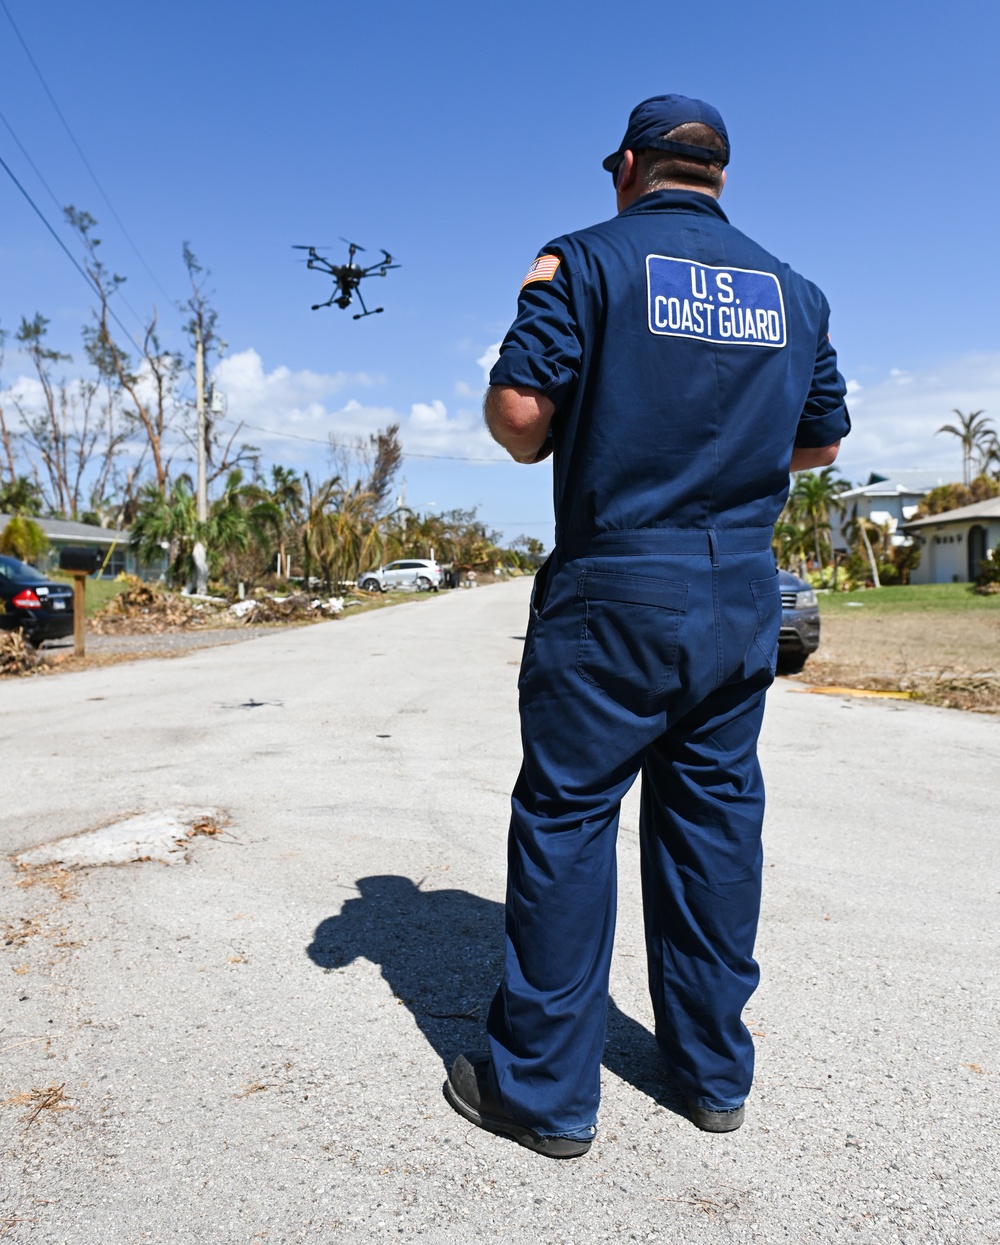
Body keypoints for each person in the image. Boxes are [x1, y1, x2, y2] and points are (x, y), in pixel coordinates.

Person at [444, 94, 849, 1159]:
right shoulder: (794, 292)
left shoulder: (580, 262)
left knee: (570, 819)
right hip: (735, 595)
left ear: (626, 165)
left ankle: (543, 1096)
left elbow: (522, 420)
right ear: (719, 176)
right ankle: (713, 1076)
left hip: (616, 583)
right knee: (715, 828)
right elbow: (820, 445)